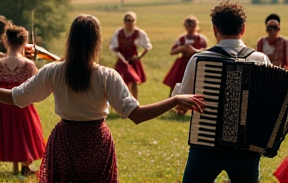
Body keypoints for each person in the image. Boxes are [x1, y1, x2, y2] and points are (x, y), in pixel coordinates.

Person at [0, 14, 205, 183]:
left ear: (70, 40)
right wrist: (174, 100)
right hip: (96, 143)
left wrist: (175, 99)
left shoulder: (53, 71)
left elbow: (13, 97)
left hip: (64, 142)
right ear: (96, 42)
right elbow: (137, 115)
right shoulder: (107, 75)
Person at [172, 1, 271, 183]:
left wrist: (177, 91)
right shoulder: (261, 59)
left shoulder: (199, 59)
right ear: (243, 29)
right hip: (246, 150)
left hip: (206, 147)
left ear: (214, 28)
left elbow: (181, 103)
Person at [0, 24, 45, 176]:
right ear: (24, 42)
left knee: (6, 132)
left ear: (5, 40)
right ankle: (25, 166)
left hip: (2, 107)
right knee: (23, 134)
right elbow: (36, 84)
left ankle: (18, 167)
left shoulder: (0, 63)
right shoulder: (28, 64)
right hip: (22, 106)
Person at [109, 11, 152, 100]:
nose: (130, 22)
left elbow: (147, 46)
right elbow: (113, 47)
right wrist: (120, 56)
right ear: (124, 21)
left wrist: (139, 56)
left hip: (133, 61)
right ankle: (123, 101)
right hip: (122, 60)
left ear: (135, 21)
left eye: (132, 20)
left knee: (134, 81)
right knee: (121, 82)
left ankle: (134, 101)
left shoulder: (139, 33)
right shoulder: (119, 33)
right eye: (128, 20)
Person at [163, 15, 207, 97]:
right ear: (185, 27)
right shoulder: (182, 39)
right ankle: (171, 99)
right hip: (182, 63)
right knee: (176, 82)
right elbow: (172, 51)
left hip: (196, 62)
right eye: (188, 26)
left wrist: (195, 51)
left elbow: (206, 51)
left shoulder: (201, 39)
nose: (190, 28)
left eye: (192, 26)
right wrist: (182, 48)